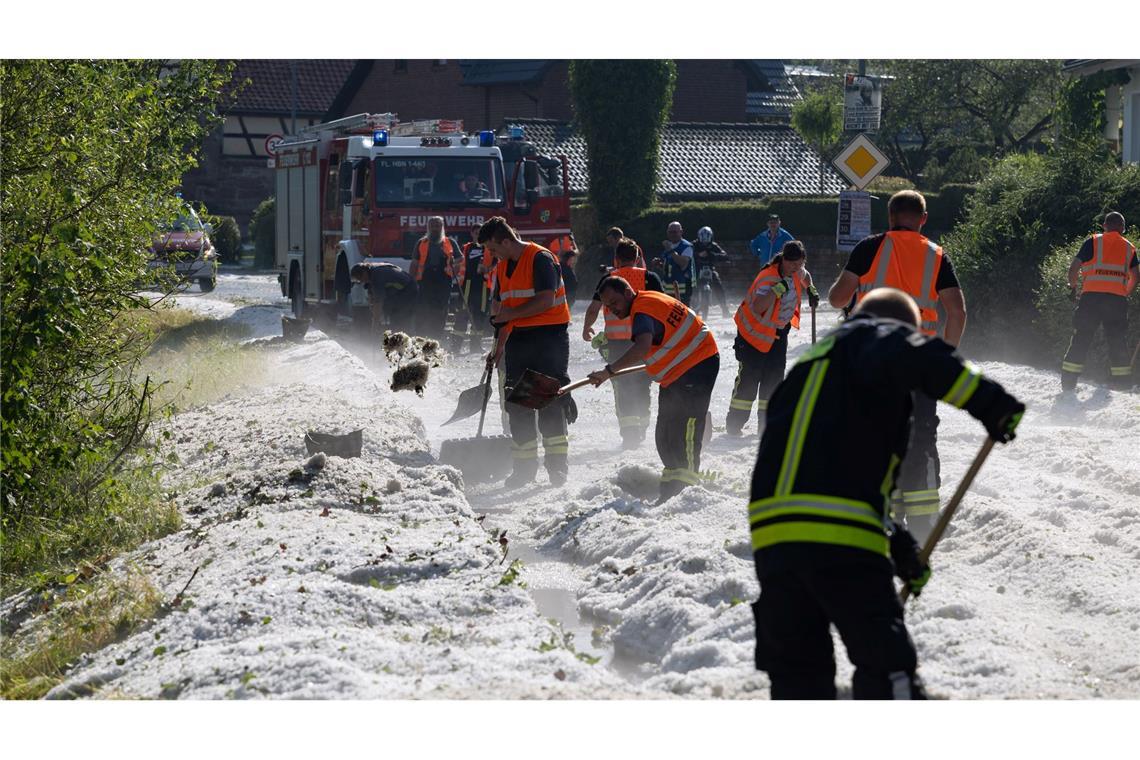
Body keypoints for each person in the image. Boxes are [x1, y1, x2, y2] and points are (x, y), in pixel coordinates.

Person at [749, 287, 1025, 700]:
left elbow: (827, 478)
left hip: (774, 542)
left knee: (797, 677)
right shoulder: (877, 334)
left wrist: (898, 548)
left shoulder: (809, 367)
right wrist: (992, 403)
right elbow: (921, 354)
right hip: (840, 541)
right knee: (887, 667)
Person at [826, 190, 966, 544]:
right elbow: (958, 311)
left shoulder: (869, 248)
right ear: (923, 217)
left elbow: (837, 299)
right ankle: (921, 527)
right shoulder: (937, 255)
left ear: (889, 218)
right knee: (920, 439)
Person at [587, 277, 719, 502]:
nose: (612, 310)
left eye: (615, 303)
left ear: (628, 292)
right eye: (607, 306)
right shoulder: (646, 302)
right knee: (665, 434)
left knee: (684, 430)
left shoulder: (642, 311)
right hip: (677, 372)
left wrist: (609, 371)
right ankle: (670, 489)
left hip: (697, 364)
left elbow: (642, 346)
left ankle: (686, 492)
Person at [483, 216, 573, 487]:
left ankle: (557, 468)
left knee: (548, 403)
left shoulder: (540, 258)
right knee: (517, 406)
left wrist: (509, 314)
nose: (492, 254)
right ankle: (524, 469)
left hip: (549, 338)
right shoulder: (501, 268)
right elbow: (500, 312)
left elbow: (545, 301)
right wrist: (497, 349)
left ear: (507, 241)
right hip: (519, 340)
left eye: (493, 248)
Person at [726, 240, 818, 437]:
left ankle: (766, 425)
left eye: (800, 264)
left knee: (773, 380)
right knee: (749, 379)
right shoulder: (767, 278)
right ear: (784, 260)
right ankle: (734, 424)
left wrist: (811, 288)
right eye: (793, 264)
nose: (797, 268)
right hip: (753, 335)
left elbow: (805, 275)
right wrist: (777, 290)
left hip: (777, 334)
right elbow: (758, 307)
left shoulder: (797, 271)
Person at [582, 238, 665, 449]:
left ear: (616, 259)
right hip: (645, 341)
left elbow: (593, 308)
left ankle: (629, 435)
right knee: (642, 385)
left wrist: (586, 328)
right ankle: (643, 426)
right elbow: (662, 307)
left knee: (621, 388)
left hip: (617, 343)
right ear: (638, 258)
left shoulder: (609, 279)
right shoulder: (649, 277)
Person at [1061, 211, 1138, 391]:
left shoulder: (1092, 242)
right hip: (1116, 301)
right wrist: (1124, 292)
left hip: (1091, 299)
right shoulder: (1129, 248)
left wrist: (1072, 287)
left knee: (1081, 337)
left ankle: (1069, 383)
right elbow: (1136, 276)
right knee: (1117, 340)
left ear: (1104, 226)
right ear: (1123, 228)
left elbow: (1073, 269)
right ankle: (1123, 383)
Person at [409, 216, 461, 338]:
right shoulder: (421, 243)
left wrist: (453, 264)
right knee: (422, 309)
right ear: (428, 227)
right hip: (425, 280)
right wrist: (411, 280)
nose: (435, 228)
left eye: (437, 225)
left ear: (442, 227)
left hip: (443, 280)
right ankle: (421, 338)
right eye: (432, 225)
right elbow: (415, 263)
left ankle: (436, 337)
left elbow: (460, 259)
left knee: (441, 310)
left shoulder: (450, 242)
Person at [453, 224, 493, 353]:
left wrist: (487, 269)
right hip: (467, 285)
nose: (478, 235)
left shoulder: (490, 248)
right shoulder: (466, 248)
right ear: (472, 233)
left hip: (482, 286)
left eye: (480, 233)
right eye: (476, 233)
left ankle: (475, 346)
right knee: (462, 314)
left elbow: (496, 266)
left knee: (479, 315)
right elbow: (458, 263)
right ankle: (455, 346)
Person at [350, 262, 418, 334]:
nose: (361, 282)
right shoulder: (370, 273)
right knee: (389, 310)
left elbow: (378, 302)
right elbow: (371, 295)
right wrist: (372, 307)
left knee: (399, 316)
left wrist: (375, 325)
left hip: (408, 289)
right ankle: (395, 332)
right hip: (398, 290)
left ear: (364, 273)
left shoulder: (377, 276)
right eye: (358, 281)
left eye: (360, 279)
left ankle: (404, 335)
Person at [692, 225, 732, 318]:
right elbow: (687, 253)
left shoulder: (713, 245)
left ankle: (725, 310)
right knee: (693, 288)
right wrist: (697, 255)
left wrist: (712, 255)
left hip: (709, 269)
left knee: (719, 287)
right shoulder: (694, 244)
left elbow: (725, 255)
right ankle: (694, 310)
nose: (705, 243)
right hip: (696, 270)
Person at [658, 221, 694, 305]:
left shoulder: (686, 246)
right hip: (668, 290)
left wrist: (670, 250)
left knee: (683, 314)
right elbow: (669, 267)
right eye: (670, 232)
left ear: (681, 232)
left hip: (683, 290)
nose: (672, 234)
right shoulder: (669, 247)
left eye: (675, 232)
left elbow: (683, 264)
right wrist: (659, 265)